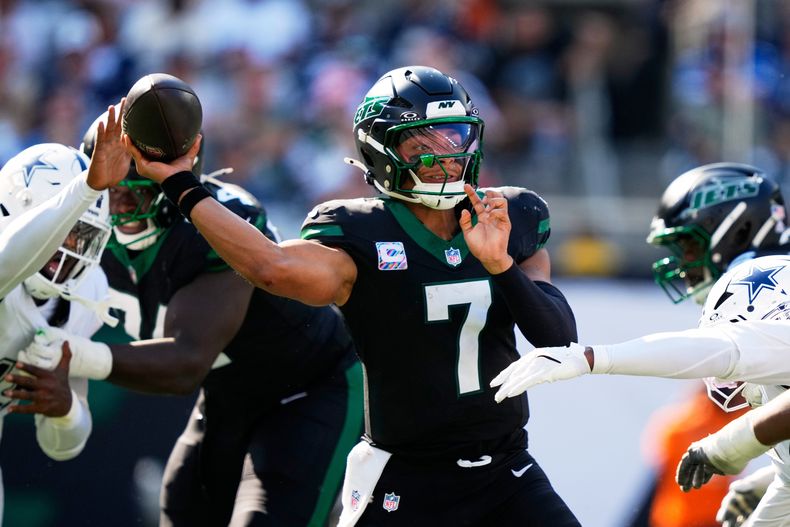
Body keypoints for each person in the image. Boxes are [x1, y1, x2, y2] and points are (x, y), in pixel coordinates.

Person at [122, 65, 580, 526]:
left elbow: (558, 341)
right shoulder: (361, 234)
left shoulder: (509, 217)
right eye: (425, 143)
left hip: (505, 470)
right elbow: (270, 267)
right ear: (383, 151)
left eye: (456, 136)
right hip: (406, 477)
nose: (448, 155)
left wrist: (500, 265)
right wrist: (182, 182)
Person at [24, 111, 363, 527]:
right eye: (111, 193)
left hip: (309, 390)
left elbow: (186, 363)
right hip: (224, 395)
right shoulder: (87, 237)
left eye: (138, 194)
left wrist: (72, 354)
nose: (120, 210)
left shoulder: (214, 225)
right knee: (182, 513)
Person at [490, 163, 790, 526]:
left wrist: (590, 358)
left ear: (739, 230)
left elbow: (722, 349)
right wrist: (773, 475)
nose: (682, 266)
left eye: (688, 246)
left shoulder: (763, 284)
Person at [0, 102, 129, 522]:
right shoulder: (10, 259)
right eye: (63, 227)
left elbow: (62, 445)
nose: (69, 248)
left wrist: (65, 409)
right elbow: (10, 259)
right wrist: (86, 190)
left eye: (82, 234)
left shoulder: (85, 295)